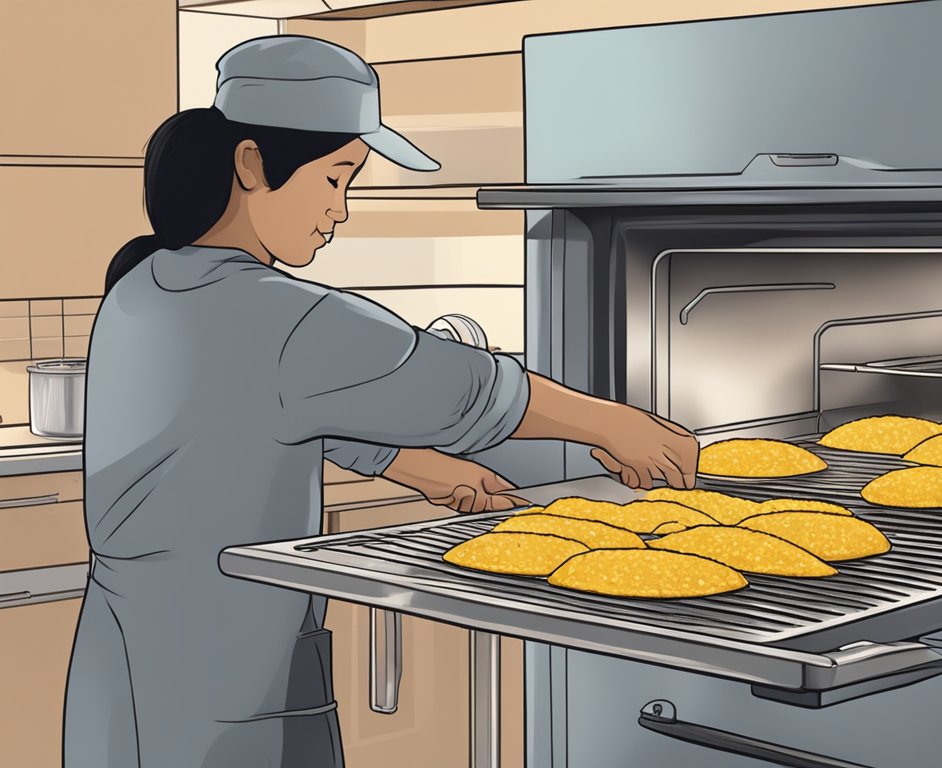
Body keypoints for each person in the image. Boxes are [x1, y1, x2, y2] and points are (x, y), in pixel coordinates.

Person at [62, 35, 698, 768]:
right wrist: (616, 425)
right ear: (250, 164)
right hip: (228, 670)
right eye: (337, 178)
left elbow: (250, 407)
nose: (341, 210)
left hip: (123, 659)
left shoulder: (145, 284)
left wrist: (412, 464)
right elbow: (455, 385)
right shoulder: (276, 311)